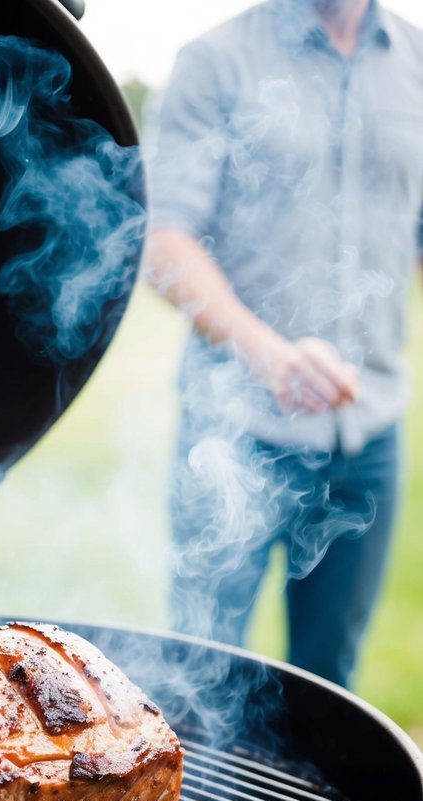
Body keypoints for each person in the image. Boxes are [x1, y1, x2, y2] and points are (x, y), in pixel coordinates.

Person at [143, 0, 423, 688]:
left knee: (331, 684)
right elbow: (163, 239)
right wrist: (269, 356)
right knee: (197, 679)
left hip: (369, 437)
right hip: (231, 433)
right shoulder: (216, 60)